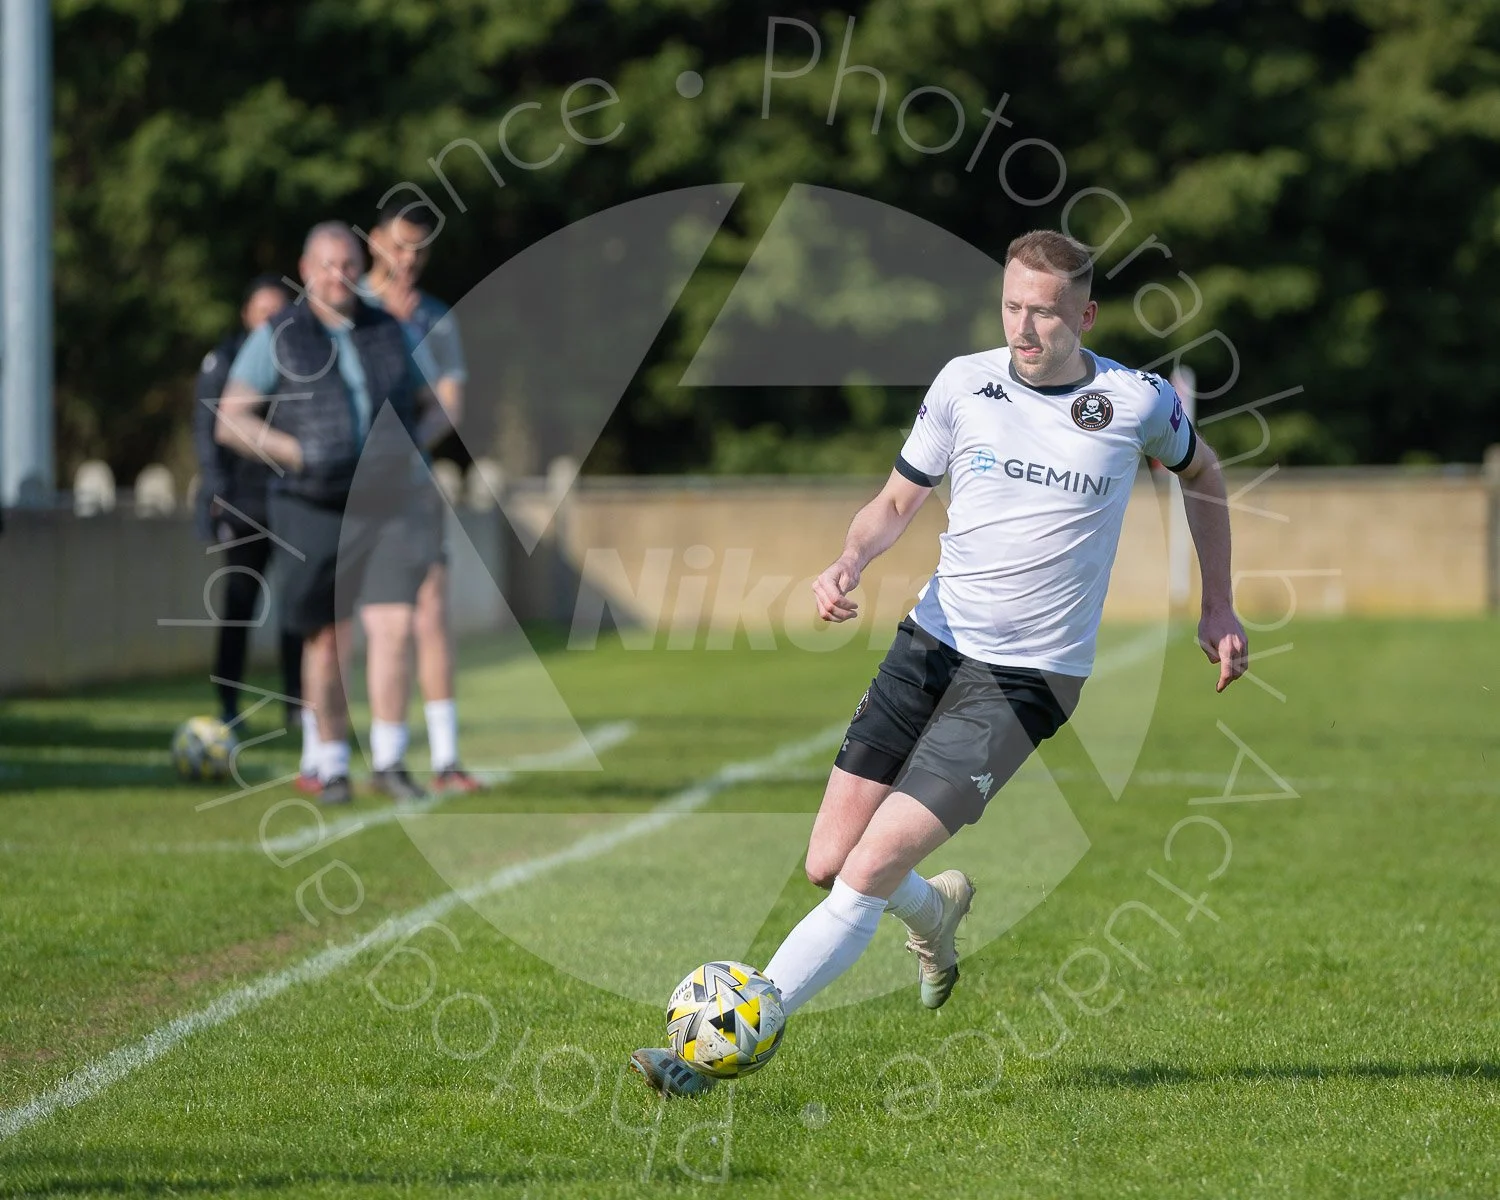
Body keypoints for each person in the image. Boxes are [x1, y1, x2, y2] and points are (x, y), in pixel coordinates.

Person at [630, 229, 1250, 1096]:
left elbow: (1204, 476)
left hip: (1027, 681)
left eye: (1044, 312)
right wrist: (851, 560)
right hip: (929, 644)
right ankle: (939, 910)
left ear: (1086, 313)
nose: (1024, 328)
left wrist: (1216, 603)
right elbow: (895, 499)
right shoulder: (965, 382)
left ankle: (717, 1049)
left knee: (865, 872)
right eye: (1011, 306)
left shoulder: (1135, 401)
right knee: (828, 861)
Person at [215, 221, 437, 806]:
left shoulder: (389, 329)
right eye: (327, 265)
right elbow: (231, 417)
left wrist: (413, 451)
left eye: (348, 265)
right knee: (328, 640)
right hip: (313, 502)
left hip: (386, 502)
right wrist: (293, 452)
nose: (338, 276)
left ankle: (389, 760)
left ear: (360, 269)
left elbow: (430, 404)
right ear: (306, 268)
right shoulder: (279, 333)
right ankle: (332, 763)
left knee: (393, 629)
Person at [359, 201, 481, 794]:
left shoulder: (434, 317)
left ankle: (446, 758)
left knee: (430, 613)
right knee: (345, 625)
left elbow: (448, 406)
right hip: (346, 490)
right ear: (375, 242)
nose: (407, 261)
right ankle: (329, 756)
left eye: (418, 251)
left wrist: (401, 452)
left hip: (410, 486)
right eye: (398, 246)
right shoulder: (344, 305)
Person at [191, 275, 305, 740]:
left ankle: (299, 707)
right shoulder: (224, 361)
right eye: (262, 312)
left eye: (277, 314)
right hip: (243, 505)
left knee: (299, 608)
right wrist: (219, 497)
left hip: (292, 502)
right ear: (246, 315)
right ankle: (228, 705)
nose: (269, 323)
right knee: (238, 605)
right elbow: (207, 430)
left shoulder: (305, 360)